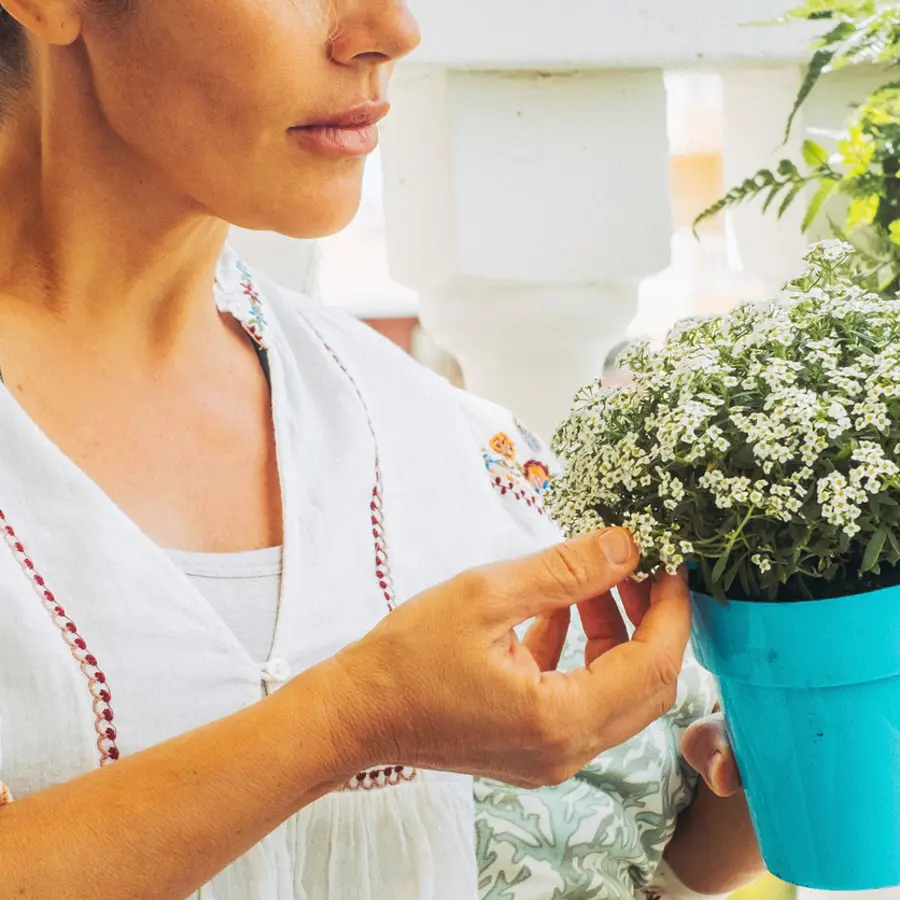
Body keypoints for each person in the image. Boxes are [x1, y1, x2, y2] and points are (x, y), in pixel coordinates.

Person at [0, 1, 763, 898]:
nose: (389, 30)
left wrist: (807, 699)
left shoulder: (430, 432)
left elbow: (659, 844)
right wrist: (350, 722)